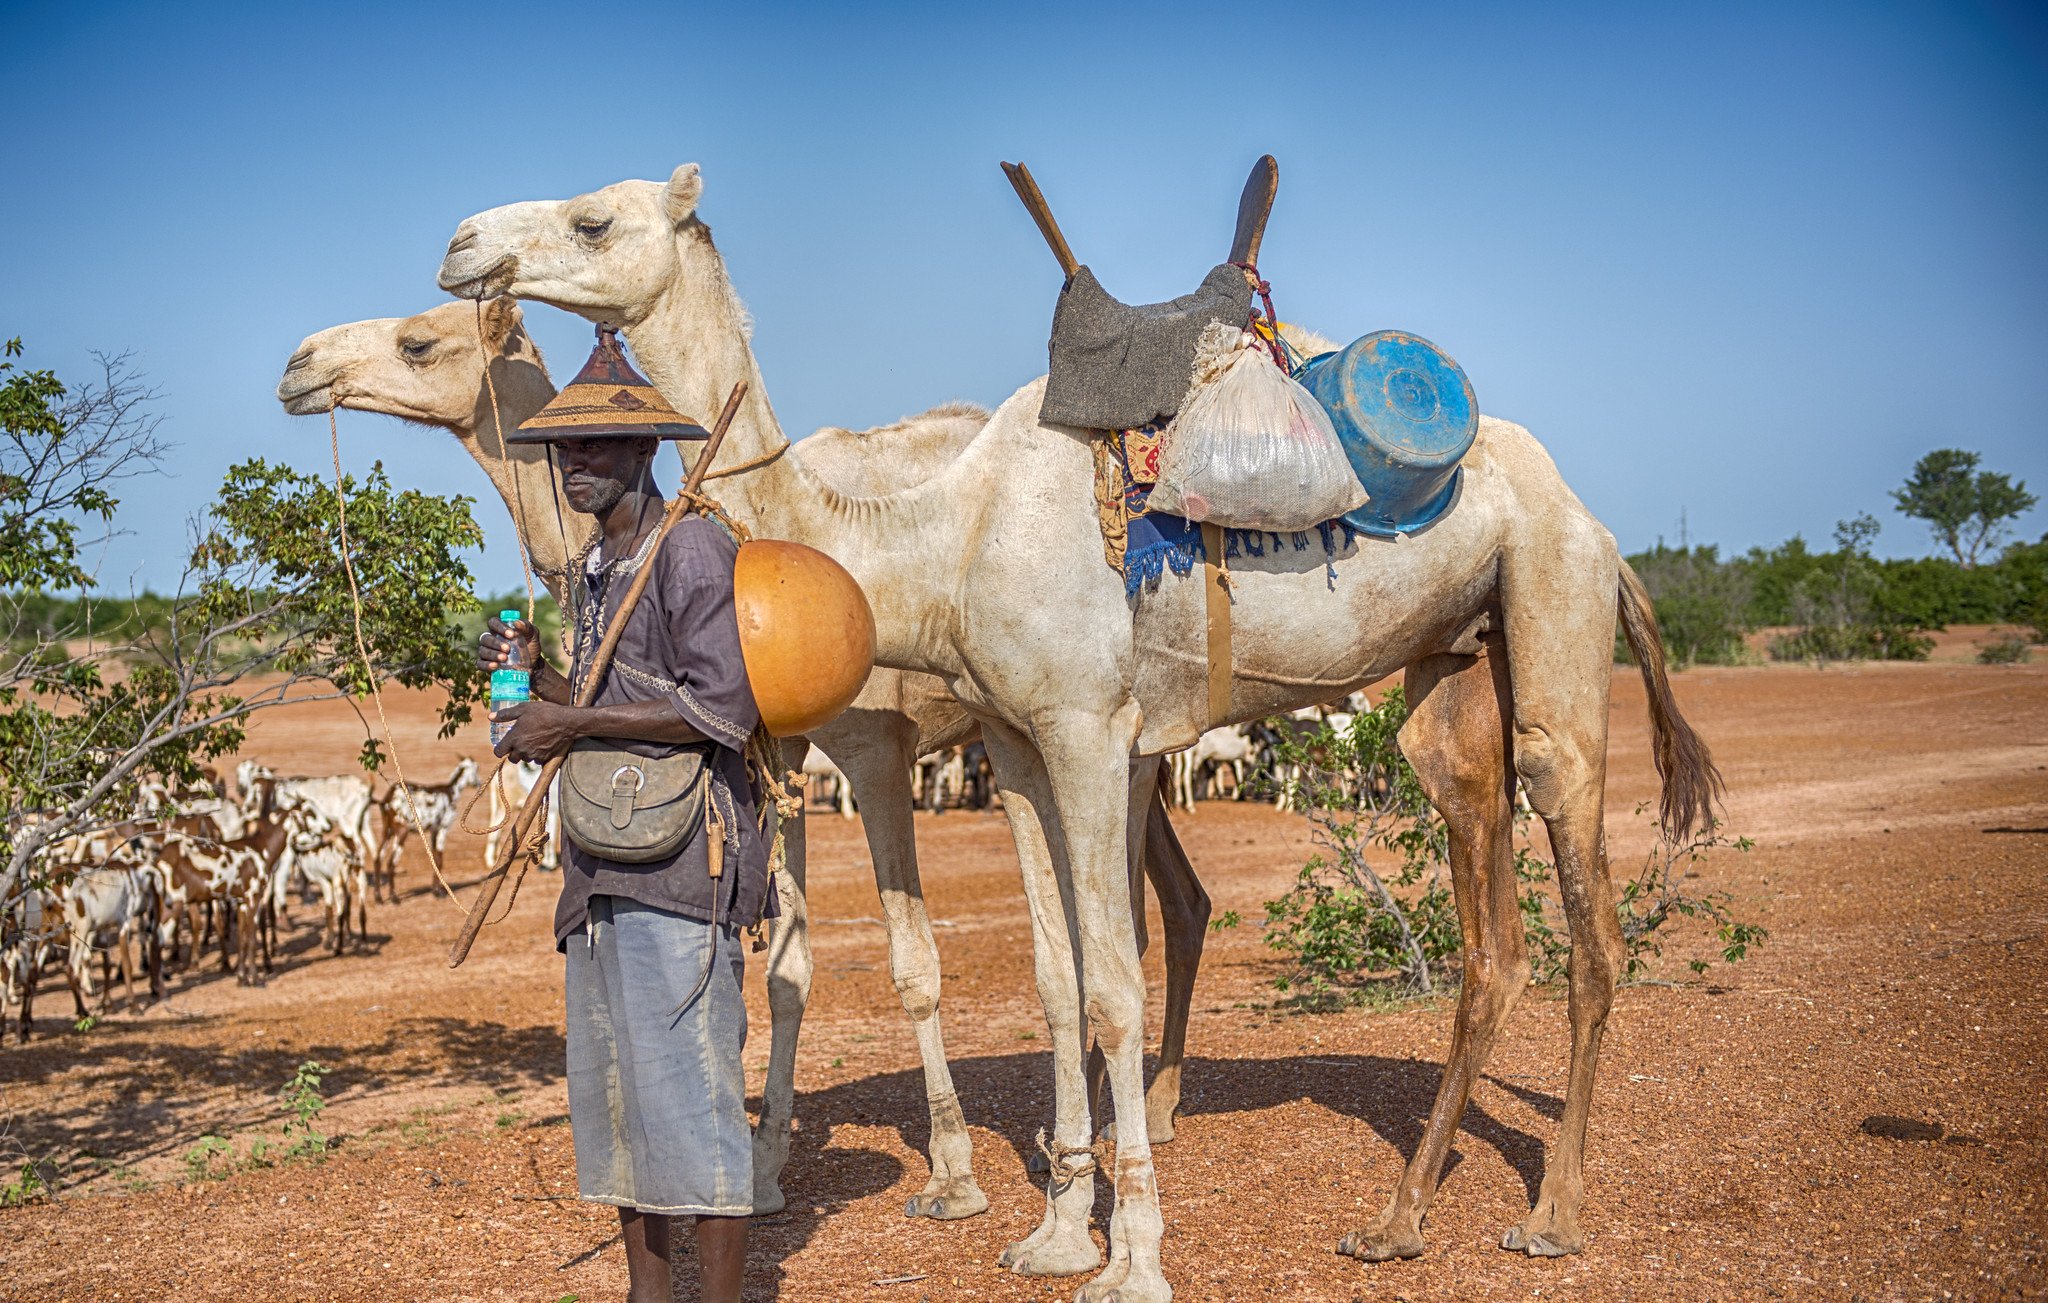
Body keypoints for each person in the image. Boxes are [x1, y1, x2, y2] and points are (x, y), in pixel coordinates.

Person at [477, 331, 767, 1303]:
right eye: (565, 449)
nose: (575, 465)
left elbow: (720, 708)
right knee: (619, 1103)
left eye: (596, 448)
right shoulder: (599, 562)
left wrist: (572, 716)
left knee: (693, 1101)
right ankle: (650, 1294)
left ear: (646, 449)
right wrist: (524, 675)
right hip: (599, 862)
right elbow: (591, 701)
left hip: (681, 863)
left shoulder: (689, 548)